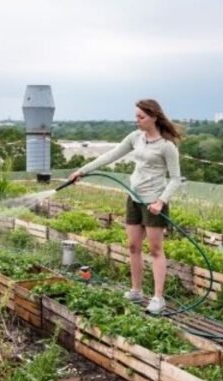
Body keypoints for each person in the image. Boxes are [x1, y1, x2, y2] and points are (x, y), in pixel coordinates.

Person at [68, 99, 181, 314]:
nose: (136, 120)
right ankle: (136, 290)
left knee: (156, 250)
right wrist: (82, 170)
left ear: (154, 117)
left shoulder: (167, 146)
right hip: (134, 199)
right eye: (136, 116)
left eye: (141, 117)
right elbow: (110, 155)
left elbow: (176, 179)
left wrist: (161, 201)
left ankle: (158, 298)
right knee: (132, 246)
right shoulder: (135, 138)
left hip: (153, 203)